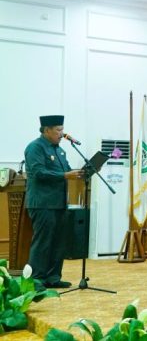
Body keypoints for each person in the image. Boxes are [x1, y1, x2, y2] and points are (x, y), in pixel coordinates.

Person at [24, 115, 83, 289]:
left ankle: (53, 278)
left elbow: (67, 171)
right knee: (43, 242)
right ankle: (36, 280)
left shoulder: (60, 150)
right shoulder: (35, 147)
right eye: (58, 130)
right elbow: (38, 173)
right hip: (42, 203)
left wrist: (84, 172)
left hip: (59, 203)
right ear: (46, 130)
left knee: (59, 242)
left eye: (62, 129)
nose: (62, 134)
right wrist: (65, 175)